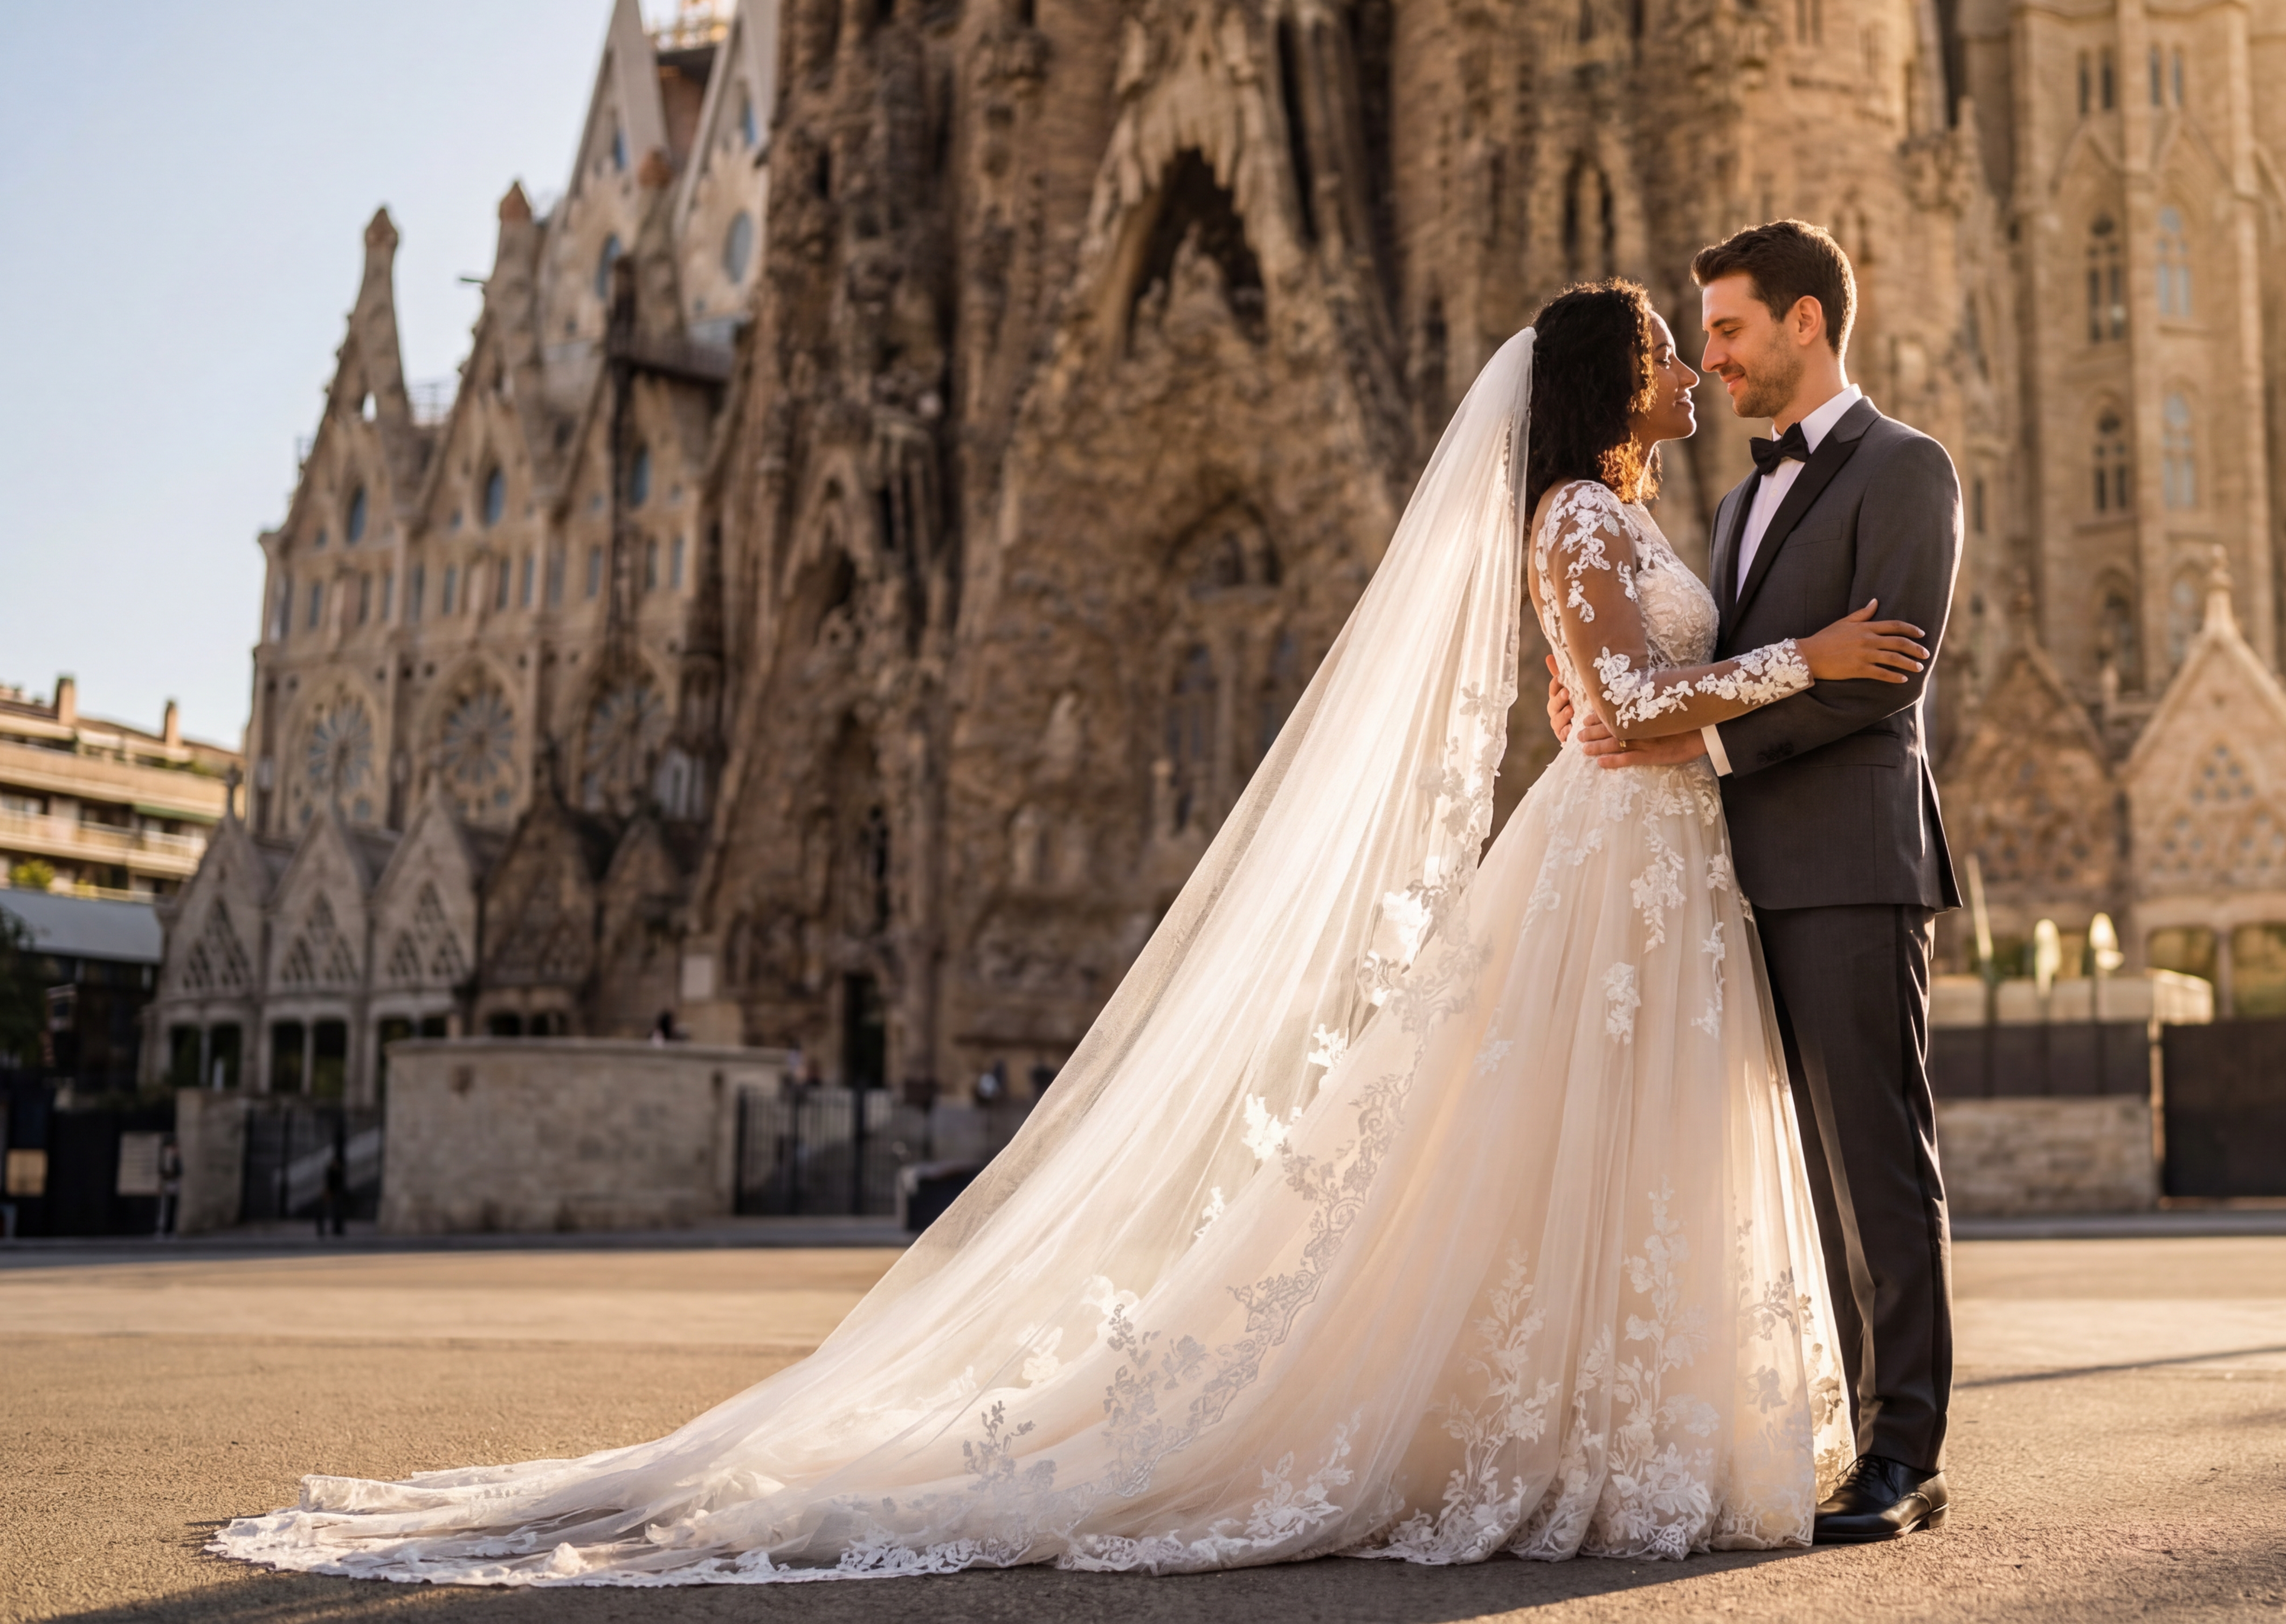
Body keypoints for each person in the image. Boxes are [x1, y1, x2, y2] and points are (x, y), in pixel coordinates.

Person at [214, 272, 1931, 1587]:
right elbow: (1625, 703)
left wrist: (1713, 691)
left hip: (1665, 866)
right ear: (1601, 381)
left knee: (1607, 1155)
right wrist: (1802, 666)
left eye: (1693, 333)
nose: (1685, 361)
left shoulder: (1649, 509)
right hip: (1621, 850)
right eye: (1660, 339)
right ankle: (1549, 1432)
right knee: (1541, 1148)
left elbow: (1620, 692)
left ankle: (1631, 1421)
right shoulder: (1569, 513)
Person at [1548, 219, 1963, 1541]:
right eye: (1695, 338)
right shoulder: (1727, 506)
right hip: (1724, 880)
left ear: (1804, 322)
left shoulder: (1909, 469)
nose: (1710, 358)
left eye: (1725, 330)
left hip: (1847, 863)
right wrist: (1599, 704)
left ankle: (1906, 1449)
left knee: (1877, 1158)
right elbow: (1664, 667)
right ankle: (1837, 1429)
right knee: (1790, 1168)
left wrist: (1700, 734)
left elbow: (1884, 668)